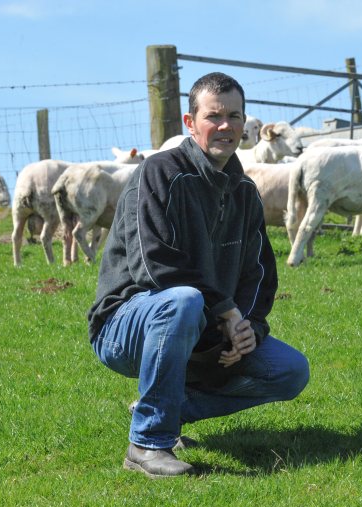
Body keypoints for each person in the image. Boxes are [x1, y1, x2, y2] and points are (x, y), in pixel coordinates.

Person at [87, 72, 310, 479]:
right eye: (214, 116)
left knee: (291, 371)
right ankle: (148, 443)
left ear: (245, 125)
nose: (225, 126)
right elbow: (153, 265)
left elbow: (259, 274)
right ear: (191, 124)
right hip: (126, 324)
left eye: (235, 116)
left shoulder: (244, 192)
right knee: (182, 300)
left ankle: (165, 406)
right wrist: (225, 311)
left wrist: (249, 328)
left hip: (204, 328)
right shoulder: (158, 174)